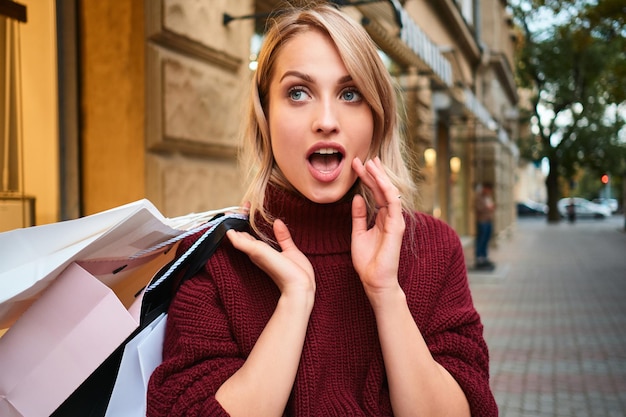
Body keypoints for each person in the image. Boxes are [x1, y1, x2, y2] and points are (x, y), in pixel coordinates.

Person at [147, 4, 497, 417]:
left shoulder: (434, 248)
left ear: (377, 117)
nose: (326, 120)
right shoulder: (216, 257)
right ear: (265, 116)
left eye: (350, 94)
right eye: (298, 92)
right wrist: (295, 301)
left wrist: (386, 294)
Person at [474, 182, 496, 271]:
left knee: (486, 239)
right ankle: (479, 258)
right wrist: (488, 208)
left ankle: (484, 257)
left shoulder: (488, 197)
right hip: (482, 221)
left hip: (488, 220)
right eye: (488, 189)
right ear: (485, 188)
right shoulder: (478, 196)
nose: (489, 191)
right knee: (481, 239)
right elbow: (478, 207)